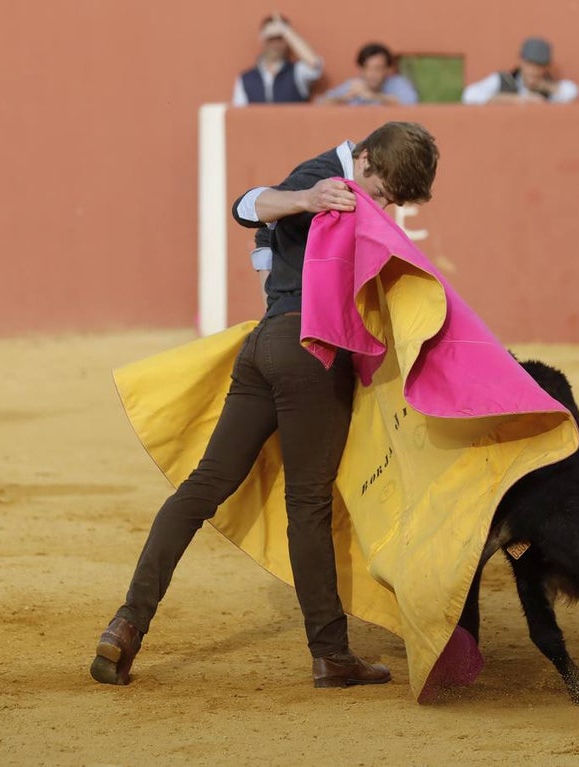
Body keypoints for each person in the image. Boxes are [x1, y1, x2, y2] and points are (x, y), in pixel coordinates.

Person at [90, 121, 440, 689]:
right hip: (311, 352)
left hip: (267, 345)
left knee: (204, 486)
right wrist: (306, 197)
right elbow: (248, 205)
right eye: (382, 193)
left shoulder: (343, 182)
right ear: (367, 159)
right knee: (307, 503)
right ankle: (330, 654)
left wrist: (274, 285)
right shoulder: (324, 177)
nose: (382, 205)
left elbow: (261, 238)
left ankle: (126, 623)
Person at [232, 13, 323, 106]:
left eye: (279, 38)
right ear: (263, 40)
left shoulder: (296, 72)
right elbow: (239, 114)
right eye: (271, 39)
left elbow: (314, 64)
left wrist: (286, 31)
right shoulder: (246, 79)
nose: (275, 44)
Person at [461, 36, 579, 105]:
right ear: (521, 62)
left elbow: (571, 92)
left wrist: (544, 87)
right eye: (530, 64)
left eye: (539, 65)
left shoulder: (550, 90)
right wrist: (516, 100)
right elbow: (469, 95)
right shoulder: (504, 80)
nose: (534, 70)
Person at [315, 42, 418, 106]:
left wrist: (374, 97)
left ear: (387, 69)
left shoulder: (397, 83)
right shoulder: (354, 86)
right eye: (367, 68)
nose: (372, 74)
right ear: (360, 69)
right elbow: (320, 103)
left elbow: (411, 103)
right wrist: (344, 98)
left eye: (377, 68)